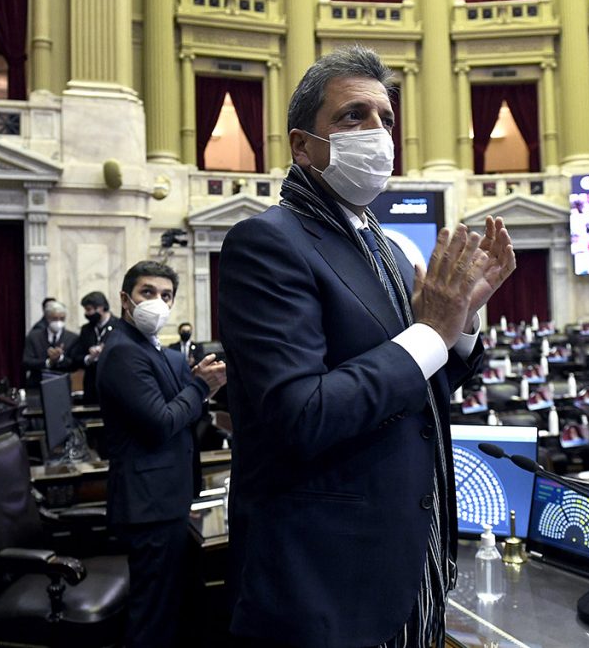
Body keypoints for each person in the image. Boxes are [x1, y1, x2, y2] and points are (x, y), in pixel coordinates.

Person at [217, 46, 515, 647]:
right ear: (303, 146)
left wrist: (461, 324)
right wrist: (431, 331)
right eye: (353, 115)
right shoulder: (266, 243)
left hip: (412, 565)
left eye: (385, 118)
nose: (377, 132)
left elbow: (414, 391)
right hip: (329, 587)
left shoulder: (384, 246)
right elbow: (302, 415)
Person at [96, 261, 227, 648]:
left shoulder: (153, 349)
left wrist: (197, 383)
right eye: (147, 292)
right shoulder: (123, 352)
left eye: (166, 295)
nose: (157, 301)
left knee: (172, 609)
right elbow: (161, 422)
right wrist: (200, 387)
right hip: (148, 505)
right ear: (125, 299)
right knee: (153, 617)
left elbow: (178, 406)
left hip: (167, 498)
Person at [67, 291, 119, 404]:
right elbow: (76, 357)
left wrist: (106, 352)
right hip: (91, 386)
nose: (86, 313)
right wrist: (89, 358)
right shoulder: (86, 329)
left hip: (113, 385)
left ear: (100, 308)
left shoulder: (119, 327)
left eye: (89, 309)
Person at [21, 300, 78, 387]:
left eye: (62, 319)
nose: (58, 322)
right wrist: (48, 362)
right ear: (47, 318)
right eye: (55, 319)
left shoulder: (72, 338)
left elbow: (75, 364)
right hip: (36, 385)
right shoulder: (34, 336)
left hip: (61, 386)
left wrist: (60, 358)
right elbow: (27, 361)